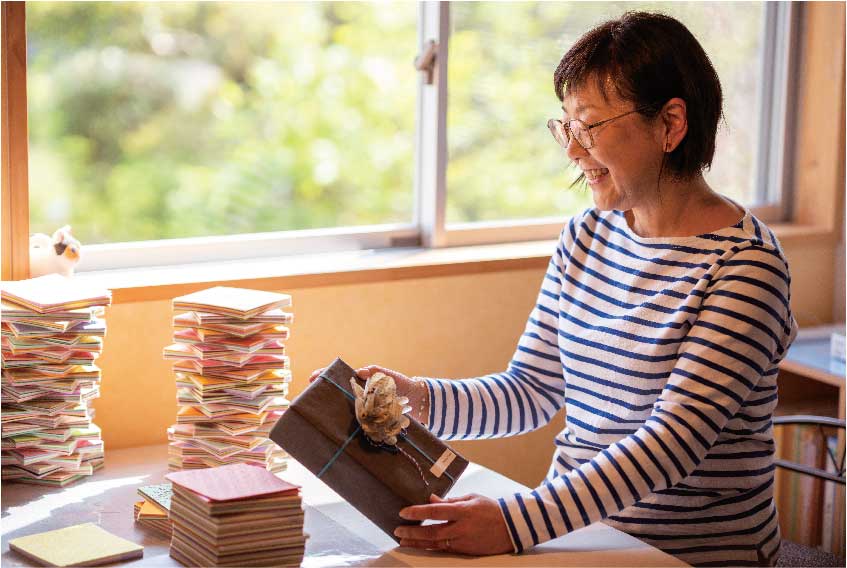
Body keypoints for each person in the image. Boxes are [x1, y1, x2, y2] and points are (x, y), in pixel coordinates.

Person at [311, 11, 796, 567]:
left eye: (587, 127)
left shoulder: (746, 268)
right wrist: (415, 398)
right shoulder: (586, 236)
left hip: (689, 554)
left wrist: (516, 522)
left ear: (670, 124)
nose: (571, 150)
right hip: (577, 538)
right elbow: (532, 390)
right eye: (565, 126)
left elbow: (672, 444)